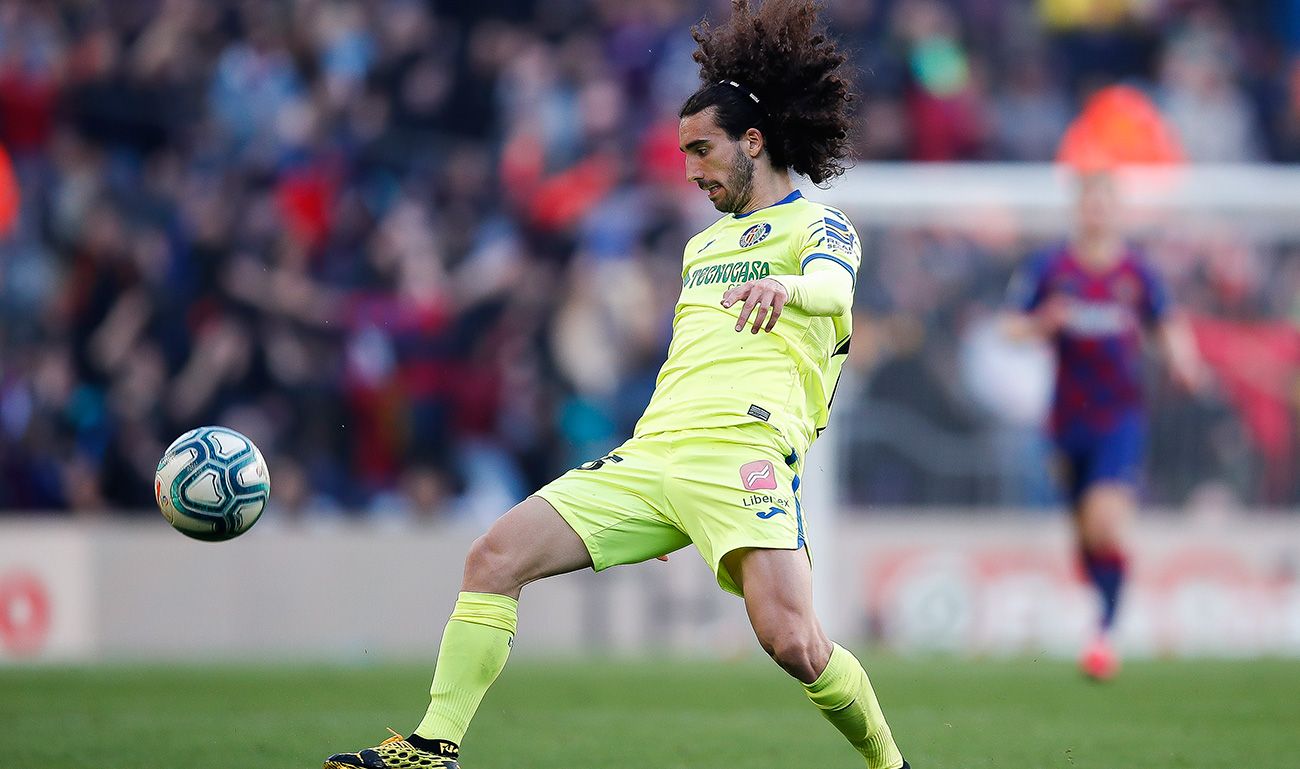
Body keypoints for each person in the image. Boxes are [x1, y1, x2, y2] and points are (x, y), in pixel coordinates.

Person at [323, 1, 908, 768]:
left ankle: (892, 764)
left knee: (794, 642)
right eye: (683, 155)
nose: (691, 170)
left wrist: (788, 290)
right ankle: (433, 747)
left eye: (703, 150)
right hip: (655, 458)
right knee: (494, 557)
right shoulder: (702, 247)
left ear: (753, 141)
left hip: (744, 452)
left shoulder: (818, 229)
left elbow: (833, 294)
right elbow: (688, 361)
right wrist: (658, 490)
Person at [1005, 171, 1202, 680]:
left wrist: (1185, 361)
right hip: (1067, 418)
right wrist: (1040, 323)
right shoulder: (1051, 268)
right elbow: (1010, 326)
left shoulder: (1136, 272)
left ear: (1117, 212)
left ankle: (1104, 635)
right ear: (1079, 211)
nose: (1097, 213)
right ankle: (1102, 615)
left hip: (1120, 417)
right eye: (1089, 204)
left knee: (1103, 522)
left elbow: (1168, 323)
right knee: (1084, 534)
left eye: (1105, 204)